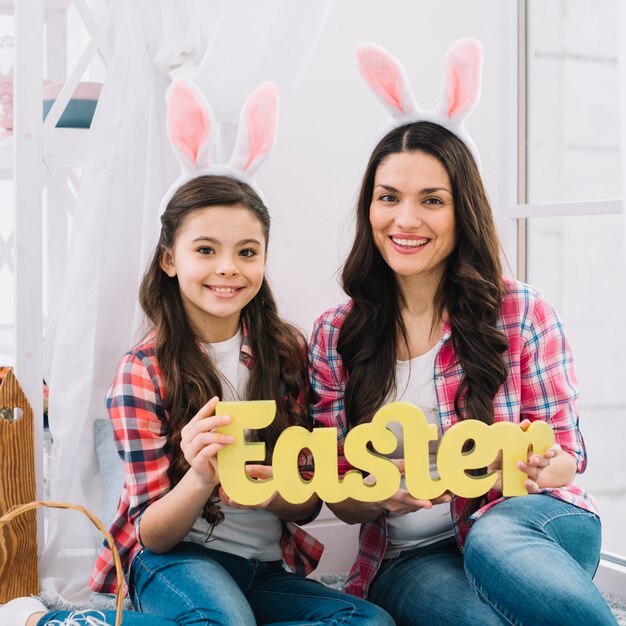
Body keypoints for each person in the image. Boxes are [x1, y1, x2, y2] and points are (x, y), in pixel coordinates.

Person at [0, 80, 393, 626]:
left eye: (246, 251)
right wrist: (202, 477)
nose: (228, 267)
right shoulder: (143, 371)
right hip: (172, 560)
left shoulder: (285, 354)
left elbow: (306, 504)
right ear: (169, 260)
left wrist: (272, 492)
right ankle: (49, 621)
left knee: (369, 622)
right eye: (205, 250)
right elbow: (152, 532)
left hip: (263, 565)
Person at [308, 40, 618, 626]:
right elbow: (338, 495)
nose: (405, 220)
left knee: (493, 540)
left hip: (532, 521)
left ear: (463, 211)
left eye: (432, 200)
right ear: (368, 208)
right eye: (388, 198)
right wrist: (378, 495)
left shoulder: (522, 312)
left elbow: (567, 459)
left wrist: (537, 465)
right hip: (411, 556)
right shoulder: (335, 336)